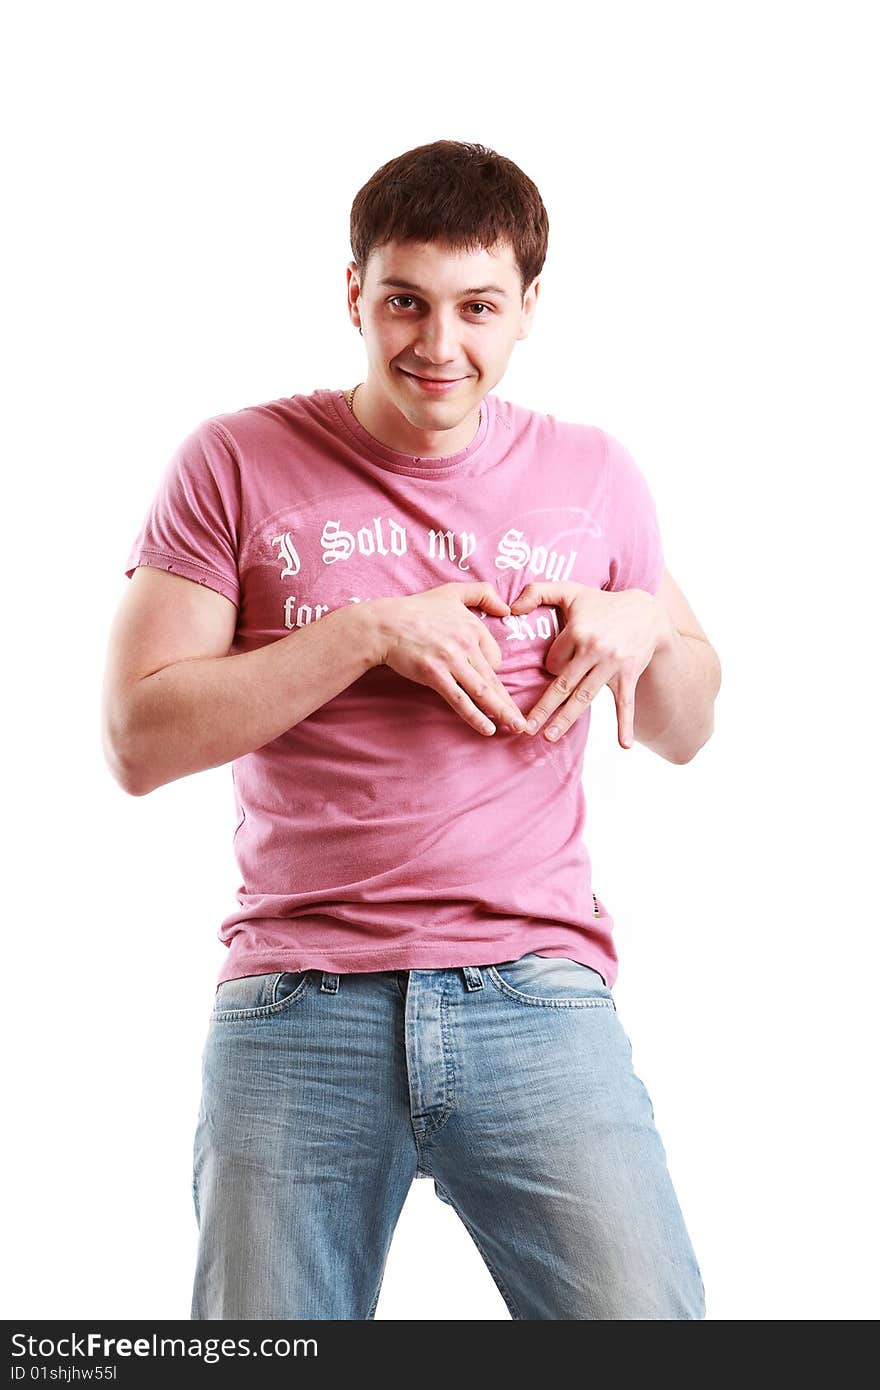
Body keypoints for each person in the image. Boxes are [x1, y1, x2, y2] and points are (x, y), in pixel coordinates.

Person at [101, 139, 721, 1320]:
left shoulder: (594, 475)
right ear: (353, 293)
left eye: (478, 307)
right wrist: (366, 636)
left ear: (529, 307)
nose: (439, 347)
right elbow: (135, 738)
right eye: (405, 303)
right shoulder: (233, 460)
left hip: (537, 992)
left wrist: (643, 623)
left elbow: (687, 723)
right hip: (298, 1001)